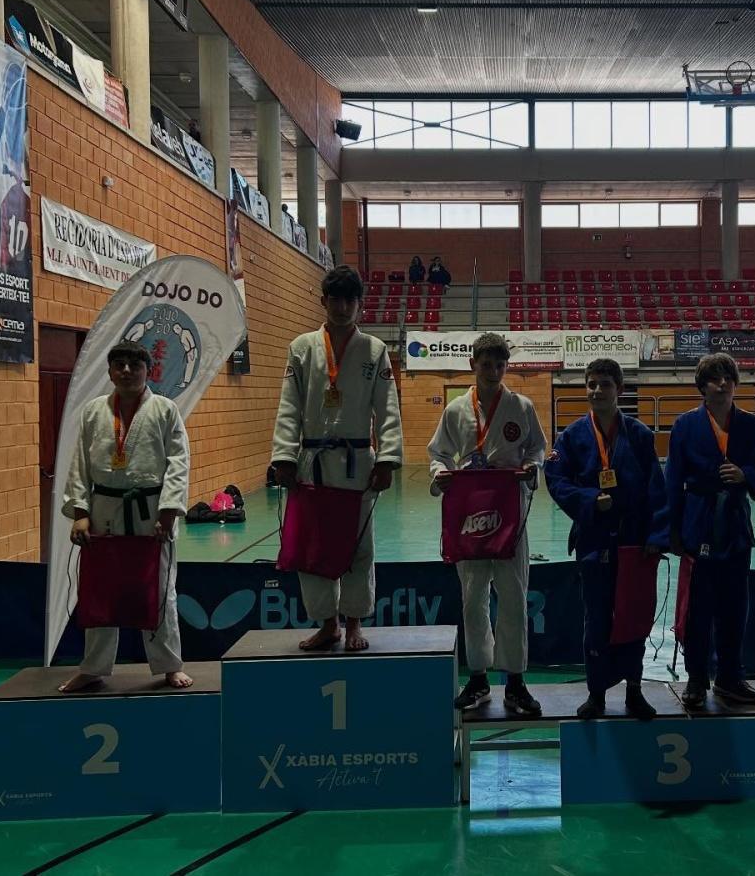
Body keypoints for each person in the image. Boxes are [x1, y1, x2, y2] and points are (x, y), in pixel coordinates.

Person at [271, 265, 403, 652]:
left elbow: (388, 409)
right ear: (323, 301)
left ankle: (354, 622)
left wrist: (387, 459)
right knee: (313, 546)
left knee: (359, 546)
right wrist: (284, 455)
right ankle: (328, 624)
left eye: (350, 300)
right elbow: (289, 406)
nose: (343, 307)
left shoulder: (374, 350)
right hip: (312, 461)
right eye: (336, 300)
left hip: (358, 462)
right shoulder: (301, 347)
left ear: (360, 304)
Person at [58, 341, 191, 692]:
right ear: (110, 370)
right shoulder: (93, 412)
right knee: (101, 591)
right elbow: (79, 464)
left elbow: (179, 463)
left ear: (149, 370)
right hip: (104, 509)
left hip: (151, 511)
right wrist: (81, 513)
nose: (127, 371)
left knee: (160, 589)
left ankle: (169, 666)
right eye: (120, 364)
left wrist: (168, 511)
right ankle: (93, 667)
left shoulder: (165, 410)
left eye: (135, 365)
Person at [429, 333, 546, 715]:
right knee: (473, 596)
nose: (493, 371)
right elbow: (438, 453)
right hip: (470, 512)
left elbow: (537, 447)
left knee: (513, 596)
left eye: (500, 365)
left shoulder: (522, 406)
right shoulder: (455, 411)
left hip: (510, 510)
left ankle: (515, 682)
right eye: (486, 365)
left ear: (506, 366)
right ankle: (478, 677)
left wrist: (531, 467)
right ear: (473, 365)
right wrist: (440, 473)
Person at [545, 358, 668, 719]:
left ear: (620, 390)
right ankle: (596, 693)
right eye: (592, 384)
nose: (597, 390)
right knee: (596, 618)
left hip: (634, 541)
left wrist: (656, 536)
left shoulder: (640, 435)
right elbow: (556, 480)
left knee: (633, 616)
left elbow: (656, 489)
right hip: (594, 539)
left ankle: (634, 690)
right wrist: (587, 500)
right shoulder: (571, 437)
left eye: (605, 384)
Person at [666, 353, 755, 708]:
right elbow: (673, 480)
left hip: (735, 525)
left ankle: (730, 677)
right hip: (697, 522)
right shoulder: (685, 425)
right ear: (702, 386)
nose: (723, 383)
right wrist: (672, 531)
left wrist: (747, 476)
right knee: (697, 609)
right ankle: (696, 679)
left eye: (728, 377)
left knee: (734, 607)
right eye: (715, 378)